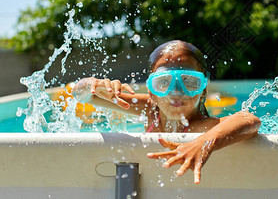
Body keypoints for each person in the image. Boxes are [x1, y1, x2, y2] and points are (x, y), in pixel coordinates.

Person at [73, 40, 261, 184]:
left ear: (203, 89)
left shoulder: (201, 126)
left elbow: (249, 120)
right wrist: (91, 84)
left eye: (189, 82)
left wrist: (205, 142)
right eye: (163, 82)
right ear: (151, 91)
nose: (176, 92)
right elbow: (80, 94)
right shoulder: (150, 109)